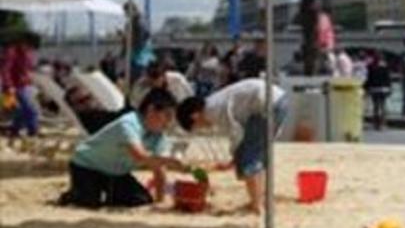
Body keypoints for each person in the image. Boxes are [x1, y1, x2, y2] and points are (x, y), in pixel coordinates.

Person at [58, 88, 187, 208]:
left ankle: (105, 194)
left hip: (115, 172)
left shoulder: (159, 135)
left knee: (141, 200)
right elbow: (139, 155)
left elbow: (159, 169)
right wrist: (171, 161)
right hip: (86, 165)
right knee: (89, 202)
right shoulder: (129, 123)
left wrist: (159, 201)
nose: (169, 122)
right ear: (151, 110)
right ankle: (71, 196)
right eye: (167, 116)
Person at [176, 78, 288, 214]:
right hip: (272, 100)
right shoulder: (213, 104)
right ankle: (258, 200)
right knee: (253, 158)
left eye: (196, 127)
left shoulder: (213, 112)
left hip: (267, 104)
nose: (201, 128)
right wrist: (235, 159)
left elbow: (236, 135)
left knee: (249, 161)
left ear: (194, 116)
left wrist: (234, 160)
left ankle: (257, 206)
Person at [2, 32, 41, 138]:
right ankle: (33, 132)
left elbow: (28, 69)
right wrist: (9, 86)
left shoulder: (29, 52)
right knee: (31, 110)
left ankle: (15, 130)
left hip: (26, 85)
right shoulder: (11, 52)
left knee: (22, 111)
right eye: (29, 45)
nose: (30, 48)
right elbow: (5, 70)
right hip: (14, 86)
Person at [364, 51, 393, 131]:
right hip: (383, 89)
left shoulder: (371, 67)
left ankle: (376, 123)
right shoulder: (385, 67)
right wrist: (390, 88)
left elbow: (369, 79)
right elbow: (388, 79)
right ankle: (383, 123)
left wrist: (366, 88)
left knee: (376, 107)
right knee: (383, 106)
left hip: (374, 89)